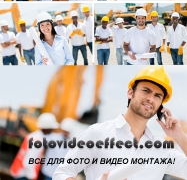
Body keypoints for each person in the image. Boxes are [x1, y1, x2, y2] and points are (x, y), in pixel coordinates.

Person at [53, 66, 187, 180]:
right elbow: (61, 174)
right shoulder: (98, 134)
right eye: (146, 91)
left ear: (160, 106)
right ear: (130, 93)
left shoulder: (162, 150)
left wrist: (179, 136)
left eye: (157, 96)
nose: (151, 99)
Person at [10, 113, 61, 180]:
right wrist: (32, 176)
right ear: (47, 127)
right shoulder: (38, 141)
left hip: (19, 171)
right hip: (24, 175)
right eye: (51, 128)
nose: (52, 130)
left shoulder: (34, 136)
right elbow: (28, 162)